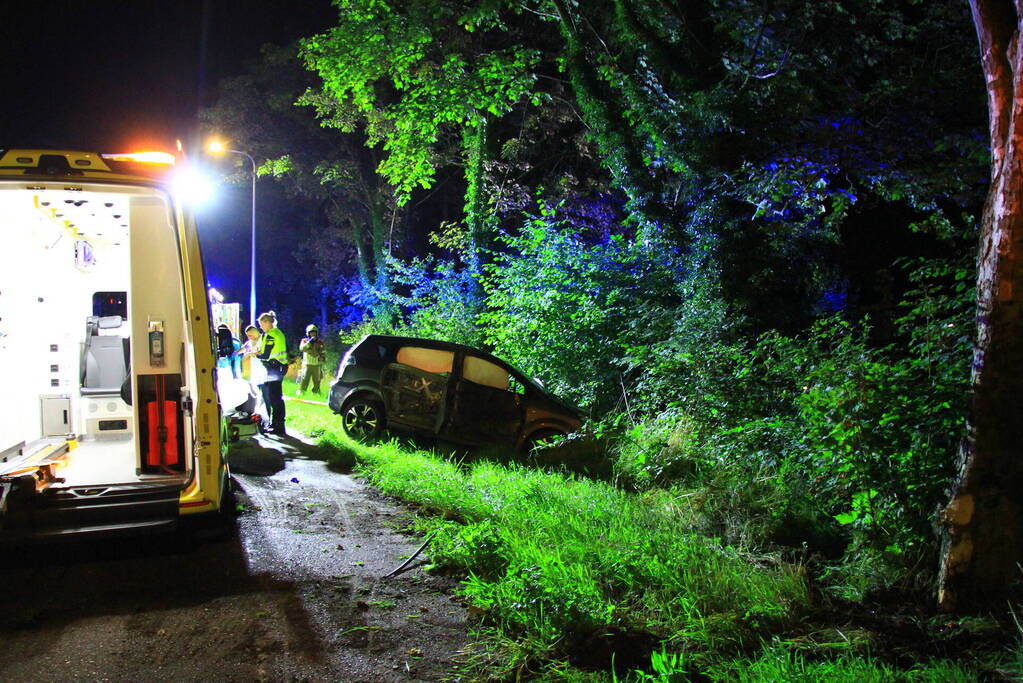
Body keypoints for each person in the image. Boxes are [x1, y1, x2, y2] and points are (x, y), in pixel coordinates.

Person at [248, 311, 287, 436]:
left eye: (261, 324)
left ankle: (278, 426)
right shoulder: (276, 333)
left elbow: (265, 354)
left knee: (275, 398)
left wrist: (254, 355)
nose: (261, 327)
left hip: (275, 368)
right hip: (276, 367)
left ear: (267, 322)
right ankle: (276, 424)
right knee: (275, 397)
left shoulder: (271, 335)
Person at [296, 324, 326, 396]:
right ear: (308, 333)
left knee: (317, 380)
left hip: (317, 364)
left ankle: (316, 392)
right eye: (311, 332)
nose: (313, 334)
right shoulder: (305, 341)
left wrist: (322, 357)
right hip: (307, 364)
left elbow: (323, 352)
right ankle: (301, 391)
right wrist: (310, 342)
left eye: (314, 332)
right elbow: (302, 349)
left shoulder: (320, 342)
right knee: (305, 379)